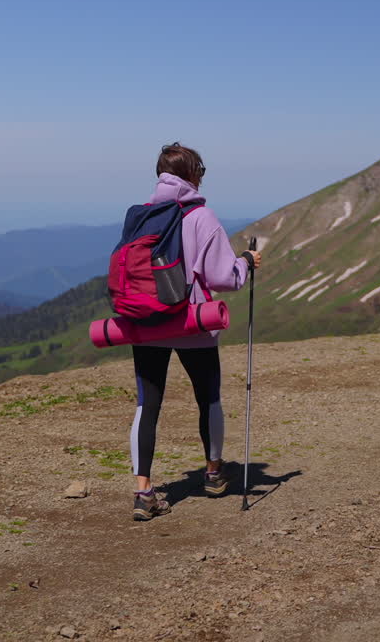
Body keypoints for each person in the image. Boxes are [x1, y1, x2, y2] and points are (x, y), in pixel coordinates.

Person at [130, 142, 262, 521]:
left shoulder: (142, 215)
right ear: (194, 174)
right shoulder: (201, 217)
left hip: (146, 322)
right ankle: (213, 472)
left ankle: (143, 493)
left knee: (146, 404)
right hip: (191, 324)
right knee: (208, 398)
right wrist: (246, 263)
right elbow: (223, 277)